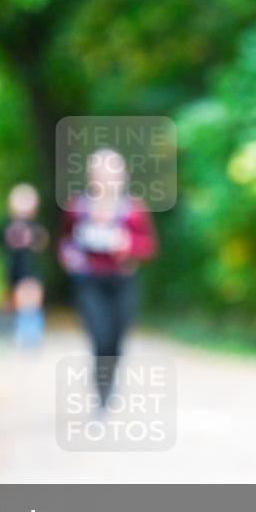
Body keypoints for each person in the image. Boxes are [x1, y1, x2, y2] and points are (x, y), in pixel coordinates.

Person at [58, 148, 157, 406]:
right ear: (91, 176)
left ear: (122, 176)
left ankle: (110, 380)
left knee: (116, 338)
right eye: (99, 172)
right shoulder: (77, 207)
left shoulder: (133, 209)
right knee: (99, 336)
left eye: (110, 172)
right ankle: (101, 387)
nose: (105, 178)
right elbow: (66, 242)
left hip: (123, 281)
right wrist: (70, 257)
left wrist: (128, 245)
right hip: (90, 281)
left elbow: (148, 246)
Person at [0, 183, 48, 347]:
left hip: (30, 271)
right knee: (11, 304)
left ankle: (30, 337)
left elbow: (42, 242)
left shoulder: (35, 225)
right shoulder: (6, 224)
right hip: (13, 270)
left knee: (30, 304)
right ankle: (8, 334)